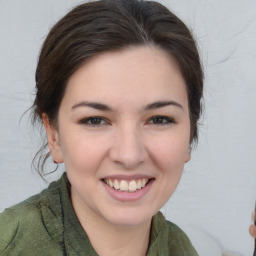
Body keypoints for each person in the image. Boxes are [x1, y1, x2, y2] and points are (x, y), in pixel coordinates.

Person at [0, 0, 203, 255]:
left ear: (191, 132)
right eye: (95, 120)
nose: (129, 155)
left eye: (159, 119)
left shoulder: (180, 248)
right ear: (54, 136)